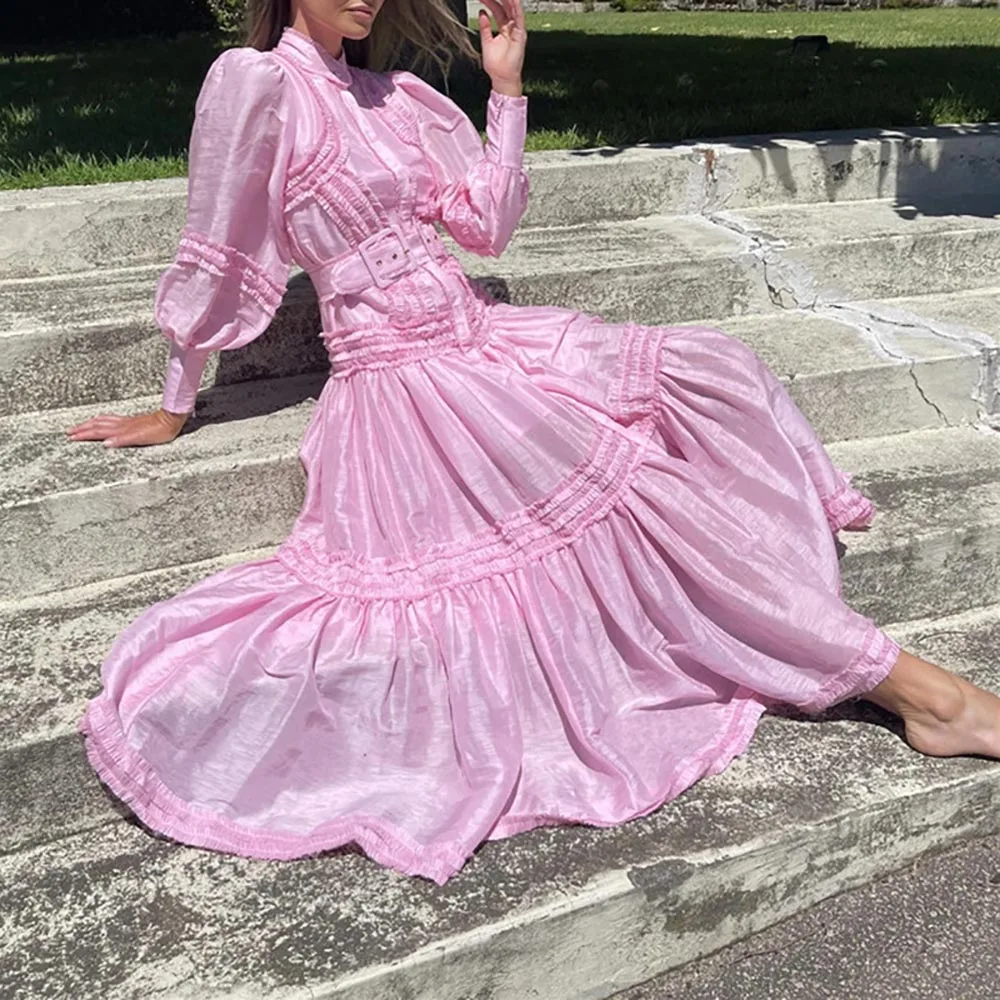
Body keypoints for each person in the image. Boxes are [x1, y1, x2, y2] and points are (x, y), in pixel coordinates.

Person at [67, 0, 1000, 886]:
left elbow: (486, 229)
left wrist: (506, 90)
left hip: (484, 338)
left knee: (710, 366)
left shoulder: (399, 96)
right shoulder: (255, 83)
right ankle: (925, 697)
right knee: (647, 502)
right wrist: (178, 401)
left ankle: (803, 592)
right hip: (405, 384)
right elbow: (218, 246)